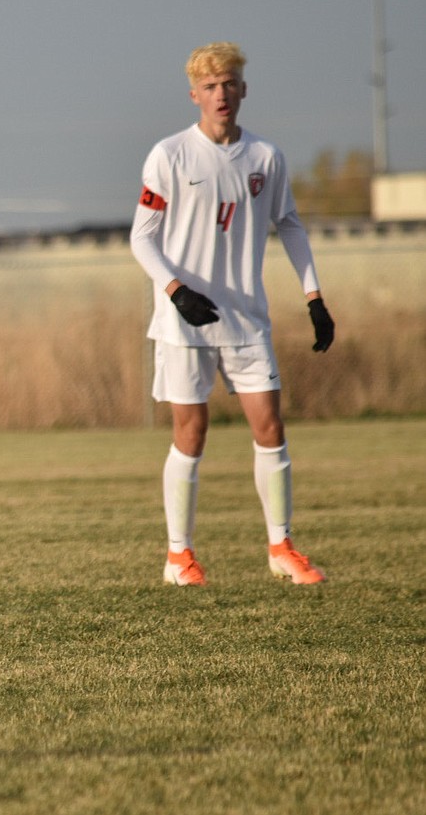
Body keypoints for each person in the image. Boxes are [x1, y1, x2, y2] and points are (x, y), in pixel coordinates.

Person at [129, 42, 335, 587]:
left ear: (243, 89)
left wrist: (313, 296)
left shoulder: (266, 158)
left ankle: (281, 547)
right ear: (194, 94)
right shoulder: (169, 155)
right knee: (190, 433)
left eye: (230, 83)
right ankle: (179, 557)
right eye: (211, 86)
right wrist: (176, 292)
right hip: (184, 323)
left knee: (270, 427)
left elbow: (288, 223)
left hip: (246, 321)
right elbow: (141, 238)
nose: (221, 94)